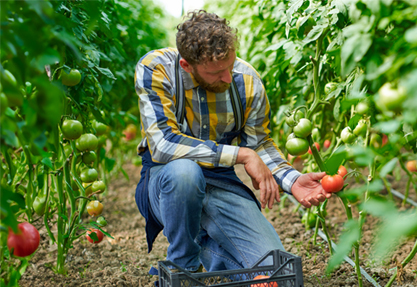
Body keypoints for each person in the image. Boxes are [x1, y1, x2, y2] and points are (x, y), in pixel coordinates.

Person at [134, 10, 331, 273]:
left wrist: (291, 179)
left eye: (230, 64)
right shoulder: (157, 70)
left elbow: (258, 143)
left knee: (275, 269)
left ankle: (207, 245)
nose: (227, 78)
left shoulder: (246, 80)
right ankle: (182, 267)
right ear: (187, 66)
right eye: (216, 72)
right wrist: (242, 155)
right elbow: (163, 144)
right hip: (168, 182)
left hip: (221, 182)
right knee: (185, 173)